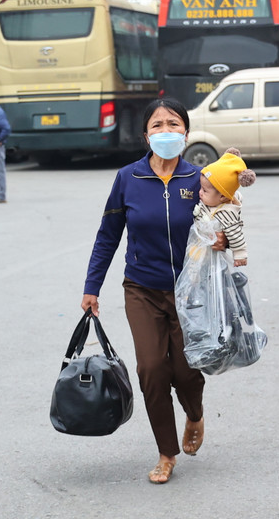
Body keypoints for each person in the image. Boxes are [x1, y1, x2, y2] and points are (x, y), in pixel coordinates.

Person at [80, 98, 223, 485]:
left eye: (173, 124)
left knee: (187, 371)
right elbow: (108, 236)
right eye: (157, 125)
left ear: (186, 132)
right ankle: (166, 452)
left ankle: (194, 414)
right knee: (152, 368)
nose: (166, 131)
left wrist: (223, 240)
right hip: (142, 289)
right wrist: (92, 287)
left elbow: (225, 222)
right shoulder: (128, 178)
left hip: (191, 292)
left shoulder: (201, 179)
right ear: (146, 135)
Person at [195, 148, 256, 267]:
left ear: (222, 197)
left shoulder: (226, 213)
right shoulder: (211, 202)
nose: (200, 192)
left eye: (205, 191)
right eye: (201, 188)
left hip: (213, 258)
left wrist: (240, 255)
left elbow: (235, 233)